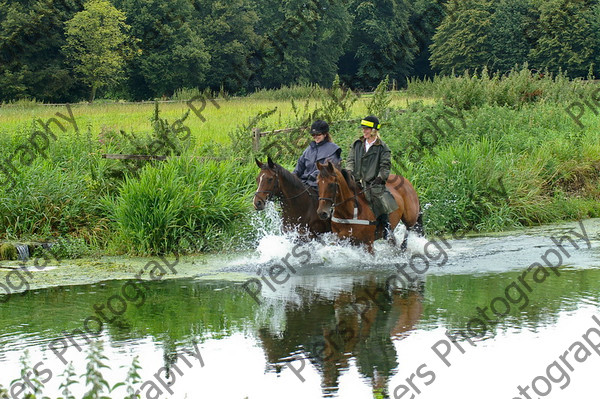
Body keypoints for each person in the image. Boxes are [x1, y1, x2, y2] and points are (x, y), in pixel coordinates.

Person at [346, 115, 399, 242]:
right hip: (357, 180)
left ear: (374, 130)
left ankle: (386, 228)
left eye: (367, 129)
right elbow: (350, 160)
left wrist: (381, 178)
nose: (364, 131)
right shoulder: (357, 144)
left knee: (380, 199)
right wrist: (349, 171)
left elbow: (385, 166)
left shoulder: (383, 148)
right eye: (363, 128)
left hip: (373, 183)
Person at [294, 120, 341, 189]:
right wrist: (292, 177)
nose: (315, 137)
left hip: (320, 185)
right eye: (313, 135)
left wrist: (312, 177)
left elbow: (329, 170)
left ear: (325, 134)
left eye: (318, 134)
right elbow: (299, 167)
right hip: (304, 184)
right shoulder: (308, 150)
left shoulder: (333, 150)